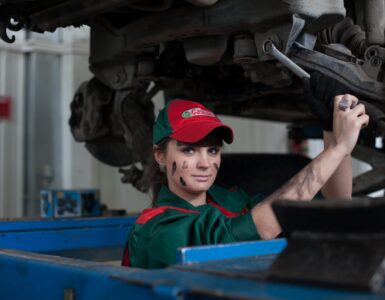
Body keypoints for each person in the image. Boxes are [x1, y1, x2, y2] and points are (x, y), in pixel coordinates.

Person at [122, 77, 369, 269]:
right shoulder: (156, 229)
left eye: (212, 150)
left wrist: (330, 128)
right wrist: (338, 148)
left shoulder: (227, 200)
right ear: (160, 155)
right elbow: (256, 230)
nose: (205, 163)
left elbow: (334, 204)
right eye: (189, 151)